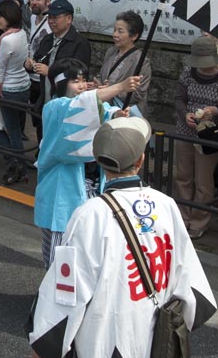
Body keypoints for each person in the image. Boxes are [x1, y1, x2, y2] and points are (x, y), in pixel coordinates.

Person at [29, 116, 217, 358]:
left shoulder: (89, 214)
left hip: (103, 342)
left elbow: (69, 288)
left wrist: (46, 343)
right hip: (156, 340)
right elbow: (191, 283)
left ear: (98, 161)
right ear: (140, 161)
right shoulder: (166, 205)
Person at [36, 58, 140, 267]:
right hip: (62, 191)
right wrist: (119, 86)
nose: (82, 86)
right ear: (59, 83)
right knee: (60, 257)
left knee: (89, 254)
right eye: (75, 81)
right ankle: (53, 296)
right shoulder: (55, 108)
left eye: (83, 80)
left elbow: (98, 112)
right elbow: (81, 107)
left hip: (91, 191)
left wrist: (117, 115)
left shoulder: (89, 106)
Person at [173, 36, 218, 239]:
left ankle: (199, 220)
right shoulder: (188, 73)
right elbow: (179, 98)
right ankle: (182, 217)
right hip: (185, 130)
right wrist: (185, 114)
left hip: (209, 134)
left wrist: (215, 110)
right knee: (183, 176)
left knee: (204, 181)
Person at [0, 0, 32, 185]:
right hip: (24, 86)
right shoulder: (20, 33)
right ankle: (17, 164)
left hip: (9, 89)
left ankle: (16, 165)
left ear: (10, 17)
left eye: (1, 16)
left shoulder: (7, 39)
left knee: (1, 128)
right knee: (14, 129)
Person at [30, 0, 91, 96]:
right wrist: (29, 65)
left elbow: (80, 75)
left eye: (55, 18)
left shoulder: (80, 43)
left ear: (69, 19)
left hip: (67, 98)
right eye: (49, 17)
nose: (51, 21)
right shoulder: (47, 39)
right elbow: (38, 59)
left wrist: (50, 72)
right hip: (45, 93)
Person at [97, 10, 152, 115]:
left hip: (126, 112)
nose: (115, 35)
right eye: (114, 30)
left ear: (134, 36)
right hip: (106, 109)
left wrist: (112, 89)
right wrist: (97, 84)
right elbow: (102, 77)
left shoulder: (141, 61)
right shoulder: (111, 52)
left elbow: (138, 94)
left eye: (120, 31)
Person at [23, 0, 52, 143]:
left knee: (44, 119)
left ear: (48, 2)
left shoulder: (52, 22)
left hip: (46, 78)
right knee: (36, 118)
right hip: (32, 75)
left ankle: (42, 153)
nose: (34, 2)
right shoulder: (33, 18)